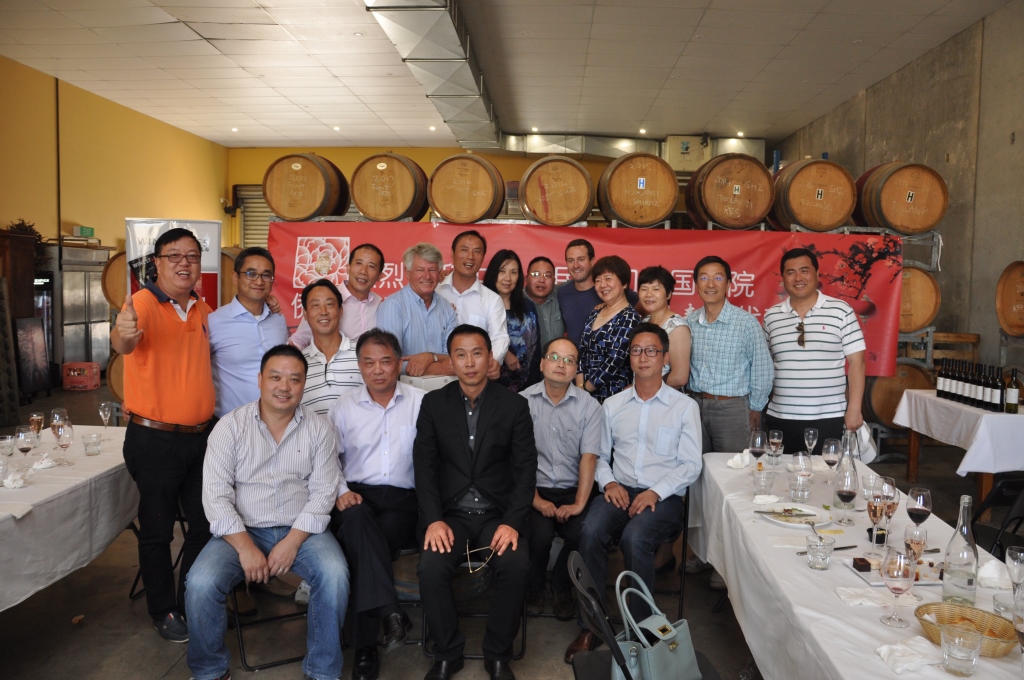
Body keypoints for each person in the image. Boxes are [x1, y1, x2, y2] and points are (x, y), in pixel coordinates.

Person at [185, 345, 349, 680]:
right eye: (275, 377)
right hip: (241, 531)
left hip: (302, 531)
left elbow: (323, 493)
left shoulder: (319, 429)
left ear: (304, 384)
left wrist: (292, 542)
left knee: (334, 575)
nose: (284, 387)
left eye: (294, 379)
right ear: (260, 380)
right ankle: (210, 671)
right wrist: (246, 548)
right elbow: (215, 496)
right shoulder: (229, 427)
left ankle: (322, 671)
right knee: (200, 583)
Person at [566, 323, 702, 664]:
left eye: (651, 351)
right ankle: (593, 626)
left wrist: (656, 491)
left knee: (635, 537)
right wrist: (609, 483)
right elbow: (599, 455)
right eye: (637, 351)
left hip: (664, 497)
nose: (643, 357)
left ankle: (642, 629)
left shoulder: (684, 407)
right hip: (620, 490)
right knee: (590, 530)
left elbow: (691, 465)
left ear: (665, 358)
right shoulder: (613, 405)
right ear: (629, 358)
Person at [413, 325, 537, 680]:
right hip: (450, 516)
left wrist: (511, 522)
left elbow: (525, 470)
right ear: (451, 360)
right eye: (461, 354)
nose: (469, 362)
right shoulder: (433, 404)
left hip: (496, 516)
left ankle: (498, 653)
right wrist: (433, 520)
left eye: (477, 353)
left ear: (490, 357)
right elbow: (424, 467)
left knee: (515, 564)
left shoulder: (514, 405)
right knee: (431, 567)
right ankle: (447, 653)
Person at [111, 227, 214, 643]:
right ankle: (163, 609)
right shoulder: (142, 303)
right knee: (157, 530)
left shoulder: (203, 309)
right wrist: (123, 334)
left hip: (200, 439)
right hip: (154, 440)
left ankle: (191, 598)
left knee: (206, 524)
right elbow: (124, 341)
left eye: (192, 255)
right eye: (175, 255)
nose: (184, 263)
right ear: (157, 262)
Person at [328, 329, 425, 680]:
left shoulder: (421, 402)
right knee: (358, 526)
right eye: (369, 363)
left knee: (363, 547)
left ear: (398, 363)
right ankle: (389, 613)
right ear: (359, 366)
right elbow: (327, 460)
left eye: (385, 361)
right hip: (355, 497)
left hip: (402, 501)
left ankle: (366, 646)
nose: (378, 370)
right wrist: (341, 490)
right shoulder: (343, 406)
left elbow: (433, 460)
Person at [520, 338, 601, 621]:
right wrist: (535, 499)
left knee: (583, 533)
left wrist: (579, 503)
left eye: (569, 360)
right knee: (539, 537)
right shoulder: (521, 402)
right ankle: (534, 588)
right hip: (534, 487)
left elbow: (589, 457)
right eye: (554, 357)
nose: (561, 364)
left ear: (576, 369)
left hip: (574, 488)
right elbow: (516, 460)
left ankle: (561, 585)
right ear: (542, 363)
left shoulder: (589, 406)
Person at [763, 248, 866, 453]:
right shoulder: (771, 317)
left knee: (826, 472)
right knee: (781, 472)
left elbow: (857, 362)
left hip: (829, 417)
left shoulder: (841, 311)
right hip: (781, 417)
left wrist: (854, 408)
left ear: (817, 274)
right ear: (783, 278)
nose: (798, 278)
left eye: (804, 271)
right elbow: (764, 365)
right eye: (790, 272)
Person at [684, 256, 774, 453]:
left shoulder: (745, 323)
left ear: (728, 284)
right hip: (694, 406)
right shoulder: (689, 322)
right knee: (696, 465)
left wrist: (756, 407)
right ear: (696, 285)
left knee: (731, 467)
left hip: (731, 409)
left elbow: (762, 368)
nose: (710, 284)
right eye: (704, 278)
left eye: (718, 278)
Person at [209, 247, 289, 418]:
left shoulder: (278, 320)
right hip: (231, 424)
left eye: (266, 275)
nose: (259, 281)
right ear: (235, 277)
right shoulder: (215, 322)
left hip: (275, 422)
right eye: (251, 274)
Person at [376, 243, 458, 377]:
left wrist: (430, 357)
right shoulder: (393, 305)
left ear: (439, 273)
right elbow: (388, 360)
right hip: (404, 387)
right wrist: (439, 368)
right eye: (420, 270)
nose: (427, 276)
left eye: (432, 270)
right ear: (408, 273)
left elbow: (454, 356)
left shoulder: (446, 308)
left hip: (445, 387)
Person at [437, 230, 507, 379]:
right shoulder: (435, 292)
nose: (470, 256)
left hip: (474, 377)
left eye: (477, 251)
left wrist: (492, 361)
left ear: (483, 257)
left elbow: (499, 337)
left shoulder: (492, 299)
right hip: (436, 375)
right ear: (452, 254)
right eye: (464, 250)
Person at [289, 243, 385, 348]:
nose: (363, 271)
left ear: (380, 276)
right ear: (348, 268)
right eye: (359, 263)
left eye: (371, 266)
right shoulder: (328, 299)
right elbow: (299, 339)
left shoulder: (381, 305)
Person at [576, 255, 641, 403]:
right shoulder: (595, 312)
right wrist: (579, 387)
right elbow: (582, 351)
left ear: (624, 283)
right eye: (598, 280)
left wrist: (586, 389)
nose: (602, 285)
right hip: (583, 394)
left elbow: (613, 362)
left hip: (613, 395)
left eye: (608, 279)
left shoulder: (630, 318)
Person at [298, 279, 362, 416]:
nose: (323, 311)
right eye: (316, 305)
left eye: (329, 304)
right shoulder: (298, 363)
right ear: (305, 314)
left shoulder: (362, 355)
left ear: (340, 311)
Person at [557, 239, 638, 346]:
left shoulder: (609, 291)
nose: (576, 265)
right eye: (571, 260)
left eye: (581, 259)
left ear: (592, 261)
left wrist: (611, 306)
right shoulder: (561, 291)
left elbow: (641, 306)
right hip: (573, 355)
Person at [482, 249, 540, 392]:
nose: (508, 278)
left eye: (513, 272)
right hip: (490, 385)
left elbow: (535, 350)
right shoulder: (481, 304)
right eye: (502, 271)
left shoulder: (528, 306)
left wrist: (532, 387)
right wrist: (505, 352)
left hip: (527, 387)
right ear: (493, 273)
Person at [637, 265, 690, 390]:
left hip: (664, 399)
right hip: (640, 396)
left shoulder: (677, 327)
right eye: (644, 289)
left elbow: (679, 377)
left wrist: (643, 387)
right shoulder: (643, 322)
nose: (649, 294)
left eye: (656, 289)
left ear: (668, 294)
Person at [523, 256, 565, 351]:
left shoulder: (562, 295)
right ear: (526, 279)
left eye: (547, 275)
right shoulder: (515, 301)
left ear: (554, 280)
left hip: (556, 359)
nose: (542, 280)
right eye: (536, 274)